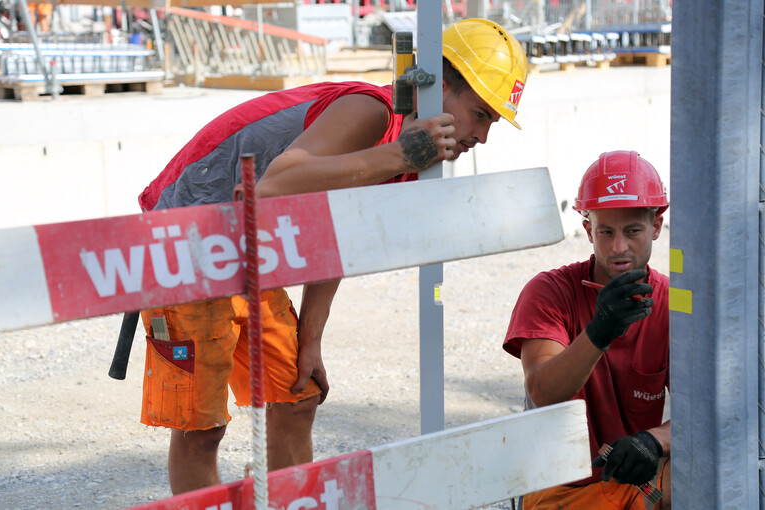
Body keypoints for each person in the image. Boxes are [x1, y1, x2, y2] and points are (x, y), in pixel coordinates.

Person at [136, 18, 529, 495]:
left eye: (491, 121)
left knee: (298, 396)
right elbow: (275, 185)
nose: (483, 135)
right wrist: (402, 155)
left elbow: (336, 228)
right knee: (202, 428)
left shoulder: (408, 149)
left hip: (240, 249)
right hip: (183, 241)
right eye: (481, 114)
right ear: (439, 88)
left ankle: (287, 504)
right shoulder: (371, 113)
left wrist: (311, 339)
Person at [503, 150, 671, 509]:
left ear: (656, 227)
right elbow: (543, 391)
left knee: (710, 476)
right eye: (606, 231)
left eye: (633, 231)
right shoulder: (550, 291)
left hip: (636, 480)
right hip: (561, 489)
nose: (619, 247)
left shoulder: (670, 302)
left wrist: (654, 441)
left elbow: (709, 410)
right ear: (588, 230)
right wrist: (599, 332)